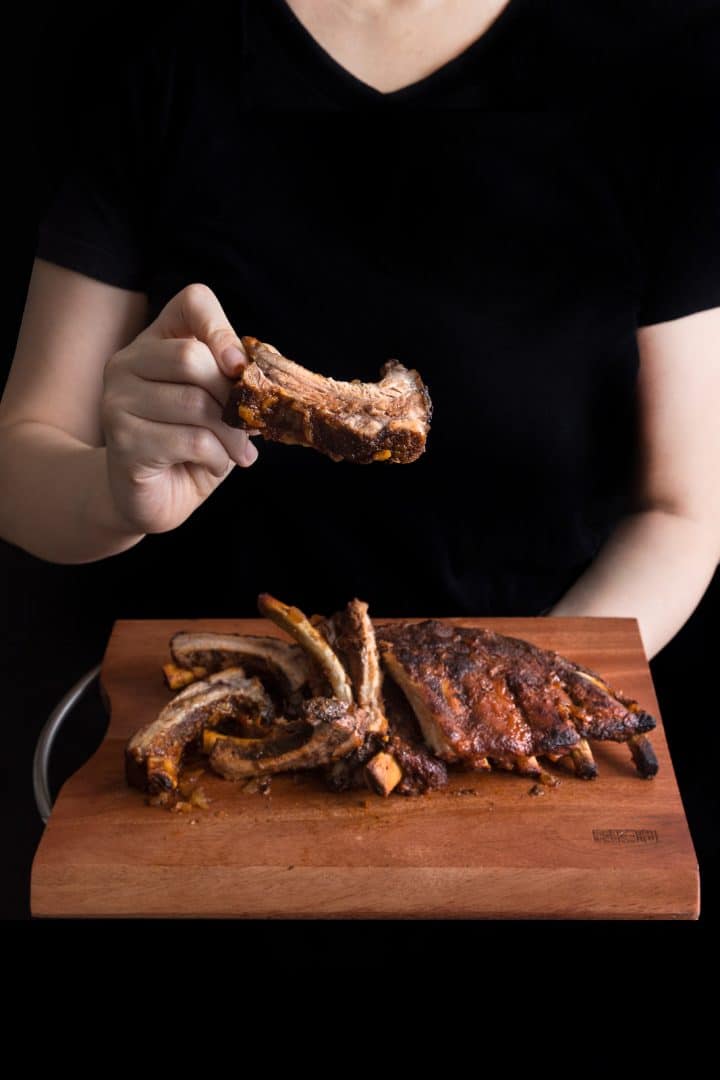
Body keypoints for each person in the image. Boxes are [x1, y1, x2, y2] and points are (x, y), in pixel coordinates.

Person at [1, 0, 719, 663]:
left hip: (524, 730)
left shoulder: (650, 66)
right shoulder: (160, 45)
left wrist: (518, 687)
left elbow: (684, 511)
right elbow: (19, 458)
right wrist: (110, 493)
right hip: (205, 693)